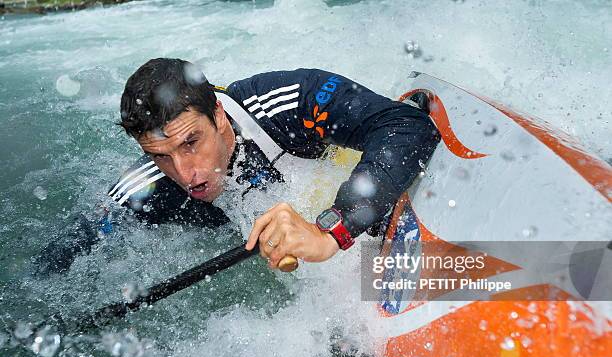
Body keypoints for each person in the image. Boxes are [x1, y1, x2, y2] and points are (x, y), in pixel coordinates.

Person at [35, 58, 439, 274]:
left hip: (335, 177)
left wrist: (332, 230)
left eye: (191, 142)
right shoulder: (148, 186)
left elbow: (407, 126)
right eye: (160, 155)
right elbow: (68, 252)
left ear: (219, 116)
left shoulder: (289, 102)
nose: (185, 173)